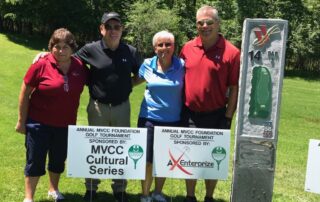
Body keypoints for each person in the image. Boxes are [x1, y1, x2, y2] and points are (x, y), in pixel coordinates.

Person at [75, 12, 142, 202]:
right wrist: (44, 56)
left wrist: (128, 85)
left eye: (117, 27)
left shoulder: (131, 51)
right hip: (97, 107)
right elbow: (70, 62)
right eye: (109, 26)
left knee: (120, 149)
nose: (113, 30)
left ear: (122, 30)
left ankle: (119, 189)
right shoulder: (90, 49)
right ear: (102, 29)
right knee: (95, 149)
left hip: (122, 107)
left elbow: (142, 74)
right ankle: (91, 189)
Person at [15, 28, 88, 202]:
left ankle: (53, 189)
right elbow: (25, 92)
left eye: (65, 47)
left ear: (72, 48)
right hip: (38, 123)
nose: (61, 51)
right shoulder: (40, 64)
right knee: (35, 160)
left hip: (65, 125)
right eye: (57, 46)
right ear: (51, 47)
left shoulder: (80, 67)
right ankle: (28, 197)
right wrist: (21, 121)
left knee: (58, 160)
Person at [179, 5, 240, 202]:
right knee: (190, 157)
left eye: (209, 22)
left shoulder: (231, 52)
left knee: (213, 159)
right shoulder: (187, 48)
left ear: (218, 24)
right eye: (200, 22)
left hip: (216, 114)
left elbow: (234, 88)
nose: (205, 26)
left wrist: (228, 118)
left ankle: (209, 197)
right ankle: (190, 196)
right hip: (189, 112)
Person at [136, 31, 185, 202]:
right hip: (148, 118)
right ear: (154, 47)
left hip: (172, 120)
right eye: (160, 45)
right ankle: (145, 194)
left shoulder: (181, 65)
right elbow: (134, 81)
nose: (164, 48)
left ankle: (158, 192)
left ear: (174, 47)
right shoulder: (147, 64)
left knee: (165, 160)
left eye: (168, 44)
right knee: (147, 160)